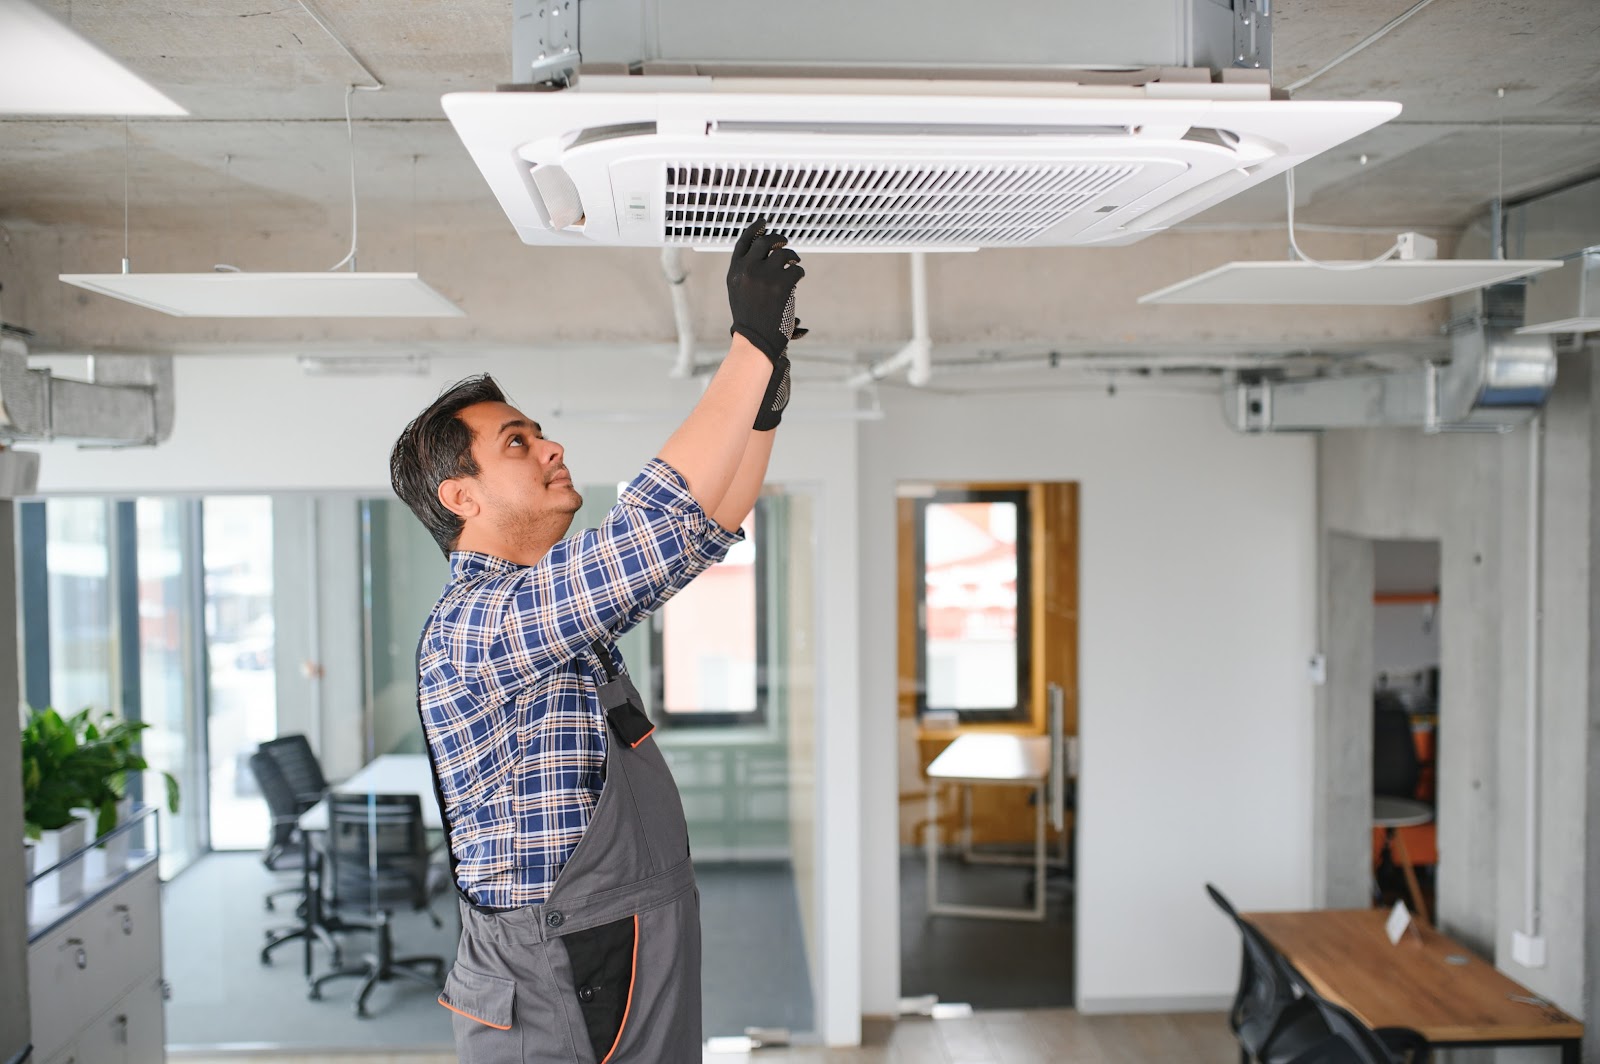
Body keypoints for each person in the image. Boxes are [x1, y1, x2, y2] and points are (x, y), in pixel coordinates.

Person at [386, 219, 804, 1064]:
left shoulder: (552, 617)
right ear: (460, 497)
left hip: (620, 939)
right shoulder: (474, 625)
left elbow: (698, 528)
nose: (550, 447)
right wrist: (747, 348)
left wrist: (766, 395)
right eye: (518, 442)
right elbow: (644, 531)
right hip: (555, 965)